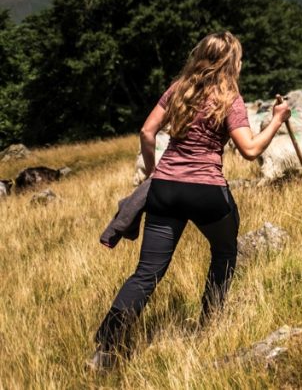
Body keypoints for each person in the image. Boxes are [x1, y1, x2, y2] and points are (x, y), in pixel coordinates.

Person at [89, 31, 290, 370]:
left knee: (147, 273)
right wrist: (277, 120)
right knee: (225, 251)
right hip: (206, 191)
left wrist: (155, 173)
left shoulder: (178, 89)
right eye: (239, 59)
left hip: (165, 190)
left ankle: (106, 350)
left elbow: (146, 132)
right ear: (231, 63)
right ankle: (210, 322)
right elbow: (251, 150)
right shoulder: (230, 99)